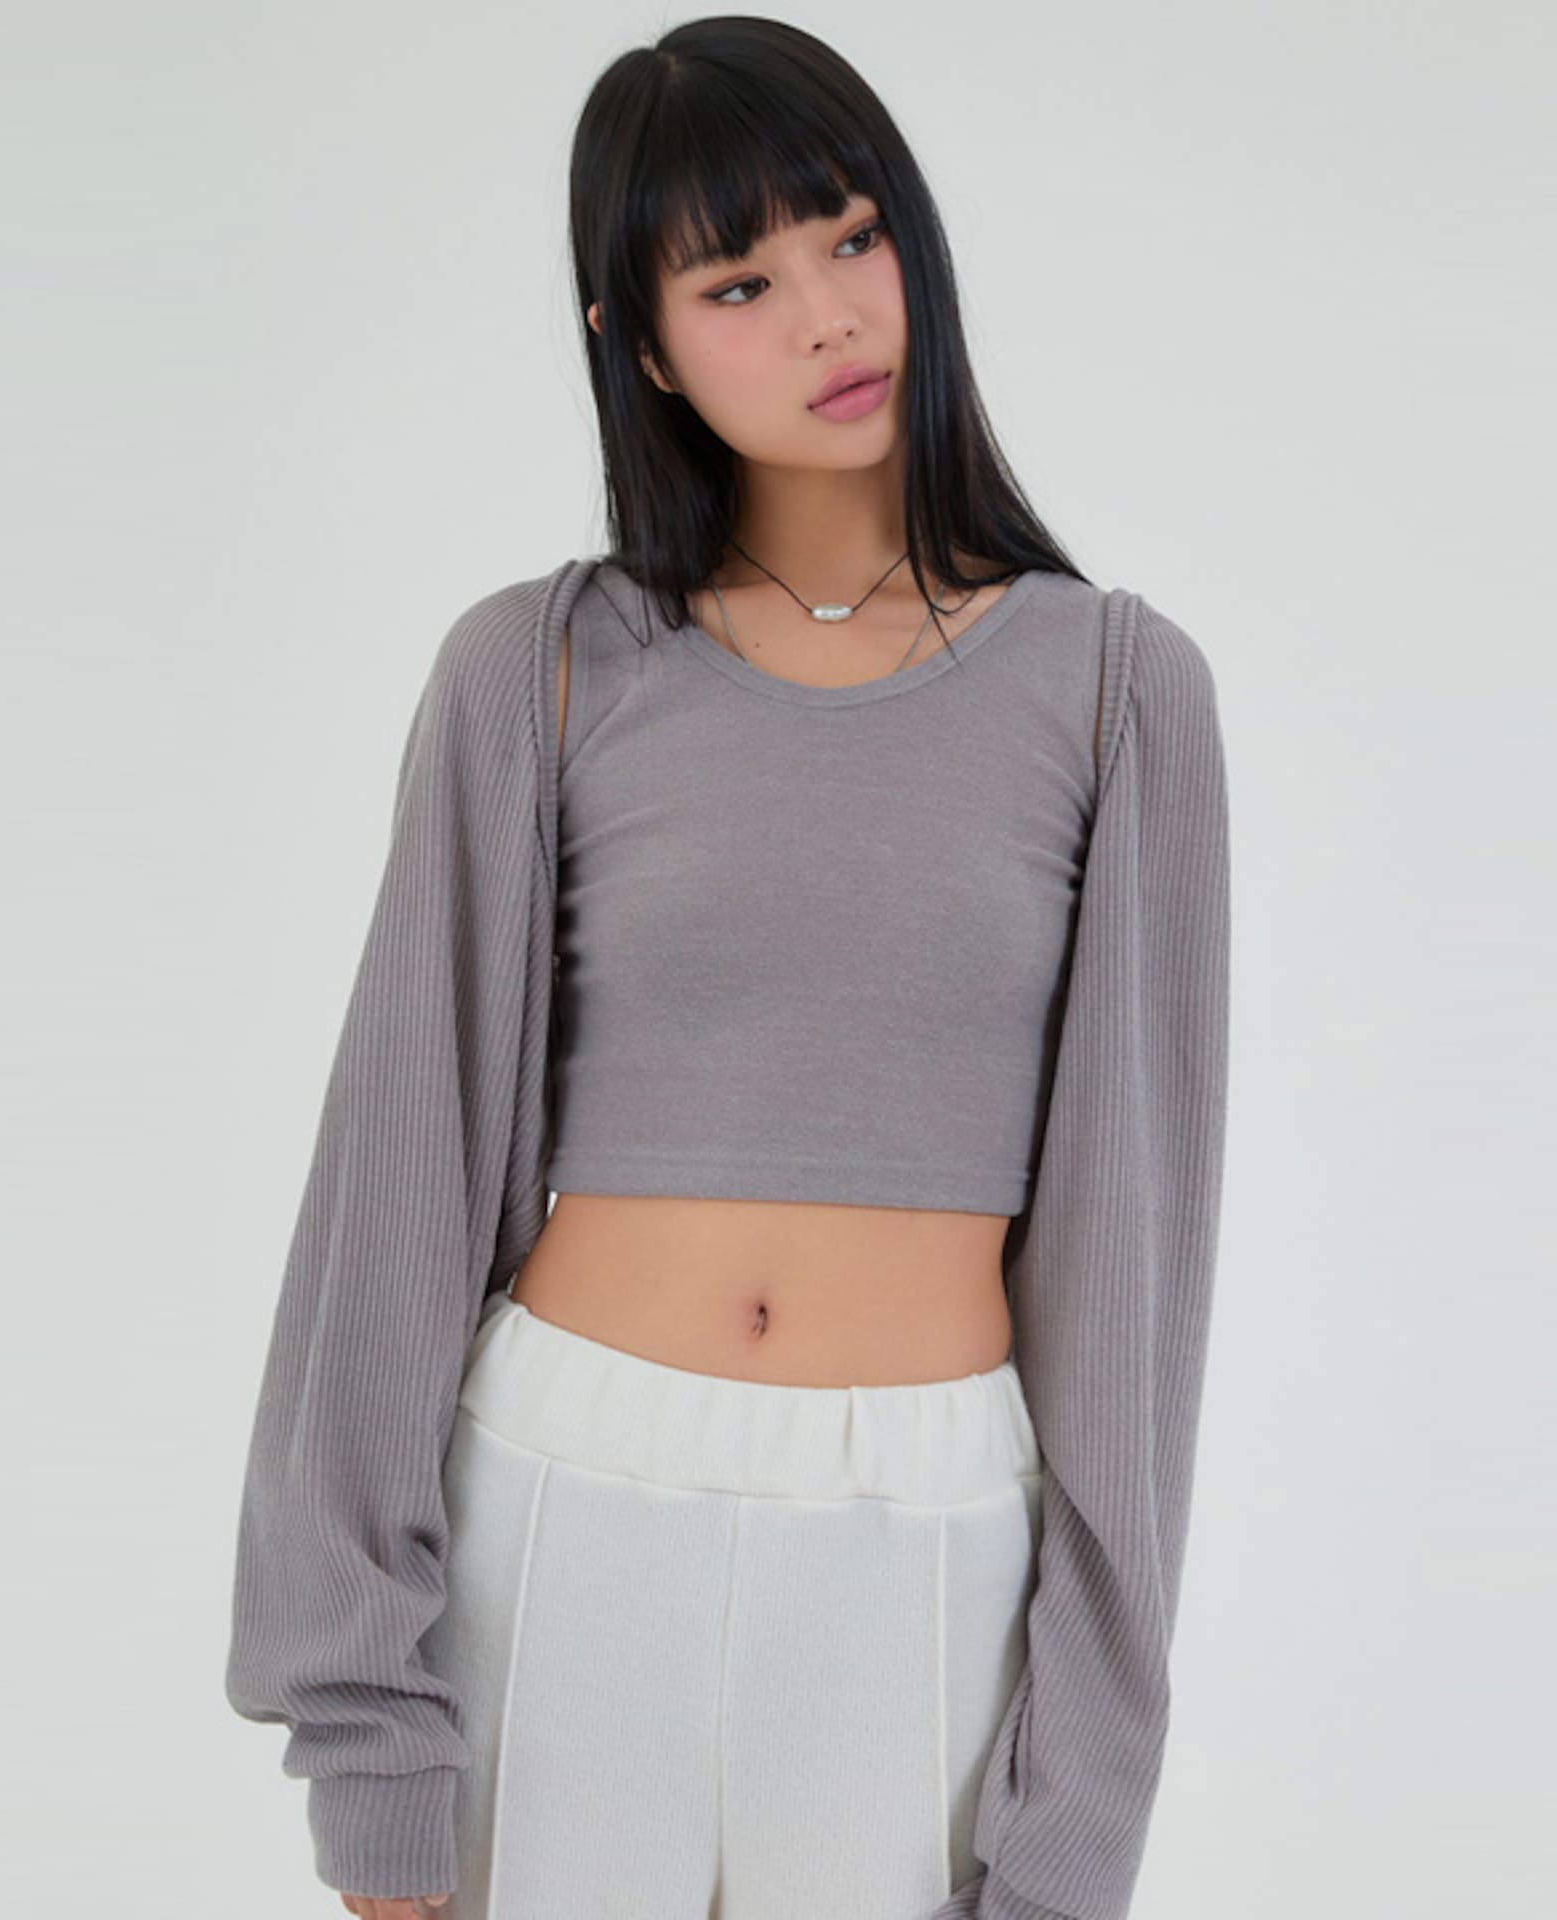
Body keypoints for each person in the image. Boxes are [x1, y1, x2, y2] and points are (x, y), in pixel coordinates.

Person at [225, 18, 1232, 1920]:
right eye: (740, 282)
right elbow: (394, 1193)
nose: (829, 315)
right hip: (563, 1513)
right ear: (643, 343)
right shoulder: (539, 672)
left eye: (854, 237)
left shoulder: (1115, 695)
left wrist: (1084, 1806)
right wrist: (366, 1731)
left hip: (925, 1549)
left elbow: (1135, 1287)